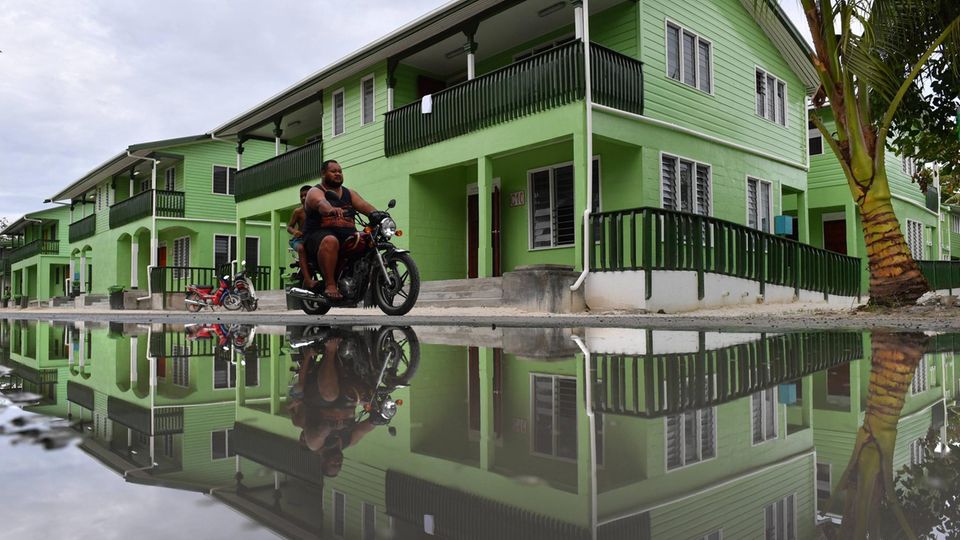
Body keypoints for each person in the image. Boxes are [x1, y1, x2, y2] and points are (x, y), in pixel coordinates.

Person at [288, 332, 377, 477]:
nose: (337, 461)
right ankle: (376, 350)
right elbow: (363, 429)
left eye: (333, 464)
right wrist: (378, 420)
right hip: (349, 400)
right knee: (370, 394)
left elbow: (321, 431)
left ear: (323, 461)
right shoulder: (349, 441)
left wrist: (330, 427)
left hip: (320, 398)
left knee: (330, 395)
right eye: (339, 464)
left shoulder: (314, 444)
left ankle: (330, 351)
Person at [302, 160, 378, 300]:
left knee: (368, 239)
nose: (338, 174)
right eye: (333, 171)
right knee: (331, 241)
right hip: (318, 235)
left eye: (340, 171)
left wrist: (379, 215)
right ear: (323, 173)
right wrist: (330, 209)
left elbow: (363, 205)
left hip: (346, 234)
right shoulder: (315, 191)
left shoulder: (349, 193)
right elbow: (320, 202)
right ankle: (330, 284)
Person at [287, 185, 314, 289]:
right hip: (298, 240)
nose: (303, 198)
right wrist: (295, 231)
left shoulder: (318, 210)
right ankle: (307, 279)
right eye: (301, 196)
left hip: (311, 240)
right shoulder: (298, 212)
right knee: (301, 249)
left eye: (306, 195)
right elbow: (289, 227)